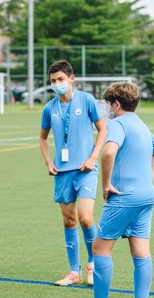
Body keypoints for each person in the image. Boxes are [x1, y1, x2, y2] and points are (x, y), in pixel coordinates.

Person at [93, 82, 154, 298]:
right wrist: (147, 180)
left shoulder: (118, 123)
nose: (106, 109)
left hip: (123, 197)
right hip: (146, 197)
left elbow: (108, 153)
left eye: (107, 104)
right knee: (141, 252)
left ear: (116, 104)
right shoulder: (142, 125)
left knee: (99, 250)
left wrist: (106, 184)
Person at [39, 60, 107, 286]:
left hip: (85, 170)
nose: (57, 84)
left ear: (71, 78)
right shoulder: (49, 108)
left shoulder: (86, 100)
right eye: (52, 81)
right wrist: (49, 161)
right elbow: (42, 137)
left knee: (86, 218)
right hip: (62, 172)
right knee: (69, 221)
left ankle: (93, 264)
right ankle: (73, 272)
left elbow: (103, 129)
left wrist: (92, 157)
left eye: (60, 79)